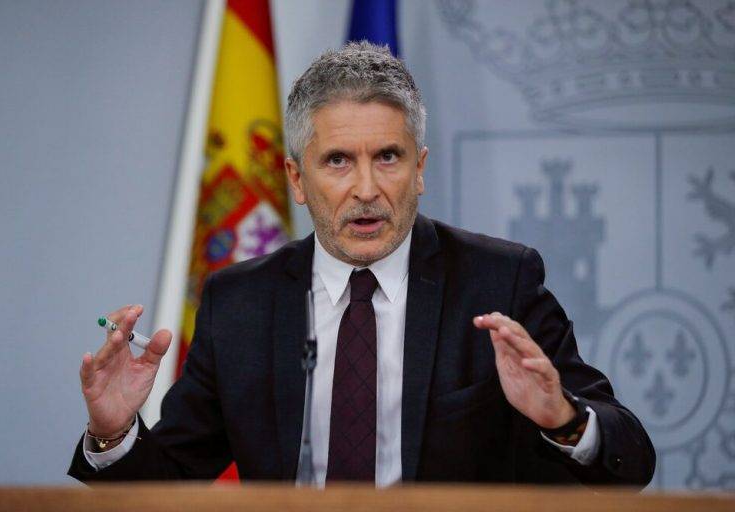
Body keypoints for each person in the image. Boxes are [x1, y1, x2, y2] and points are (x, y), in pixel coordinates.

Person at [69, 42, 655, 487]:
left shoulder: (499, 281)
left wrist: (563, 419)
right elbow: (169, 485)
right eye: (339, 161)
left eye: (389, 157)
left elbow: (631, 458)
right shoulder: (240, 303)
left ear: (419, 168)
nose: (368, 189)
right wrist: (115, 432)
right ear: (297, 178)